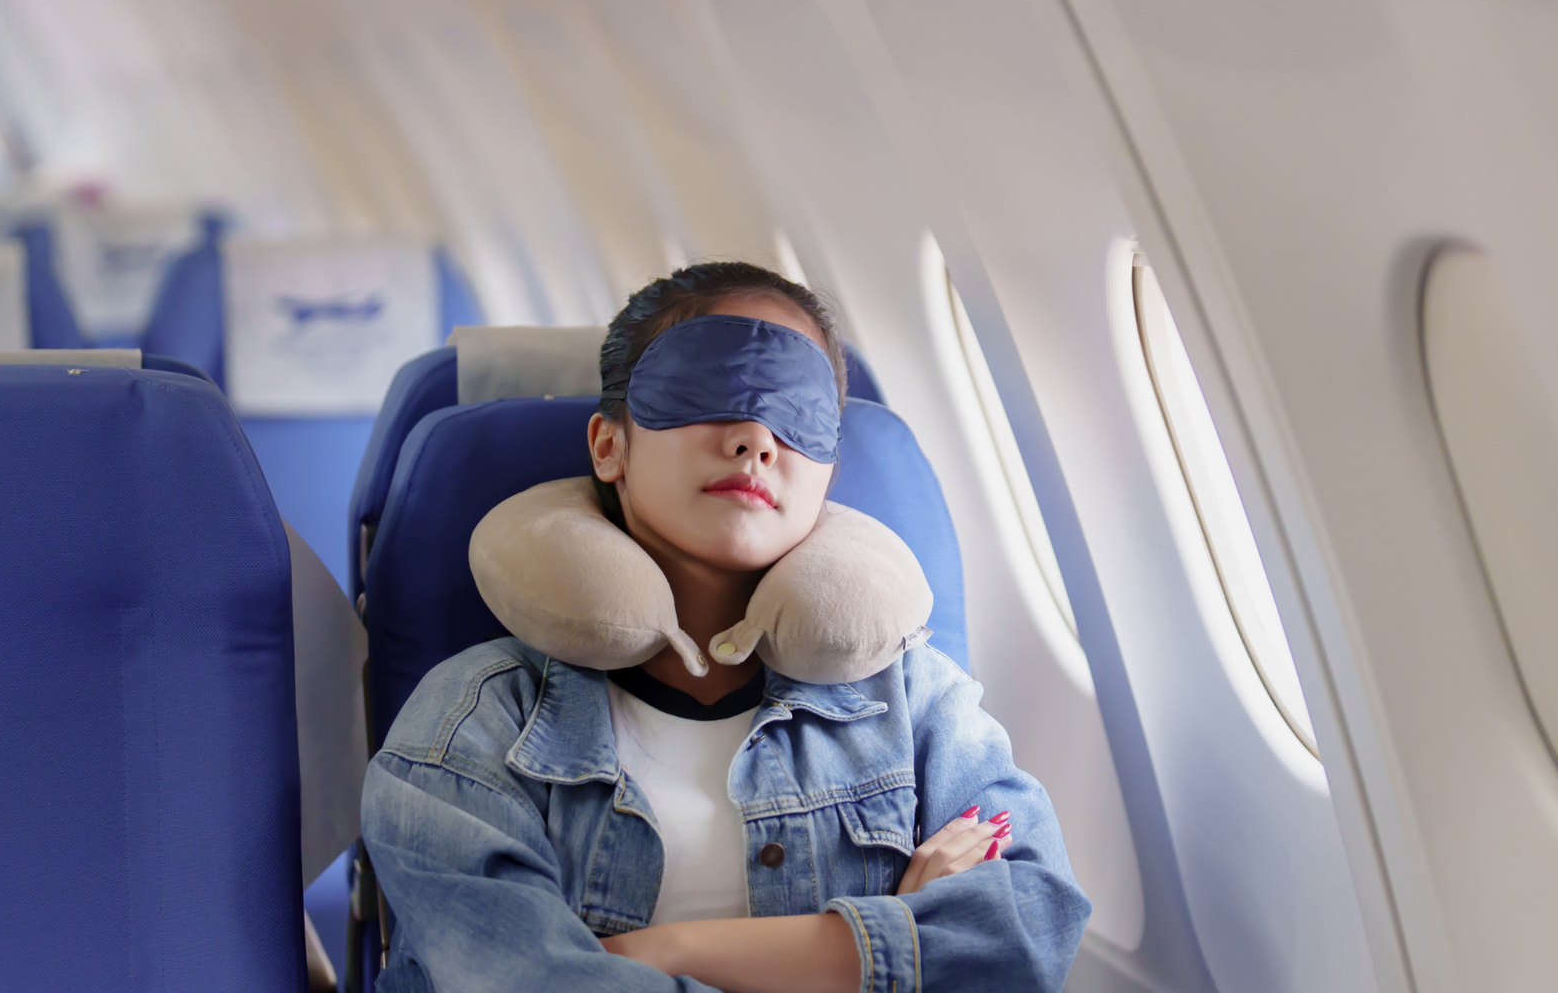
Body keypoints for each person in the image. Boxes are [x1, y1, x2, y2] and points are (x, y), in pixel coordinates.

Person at [361, 263, 1090, 993]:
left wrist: (656, 950)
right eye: (703, 391)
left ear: (827, 472)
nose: (754, 438)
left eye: (796, 410)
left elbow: (1030, 928)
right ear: (609, 445)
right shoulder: (473, 722)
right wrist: (875, 951)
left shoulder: (915, 701)